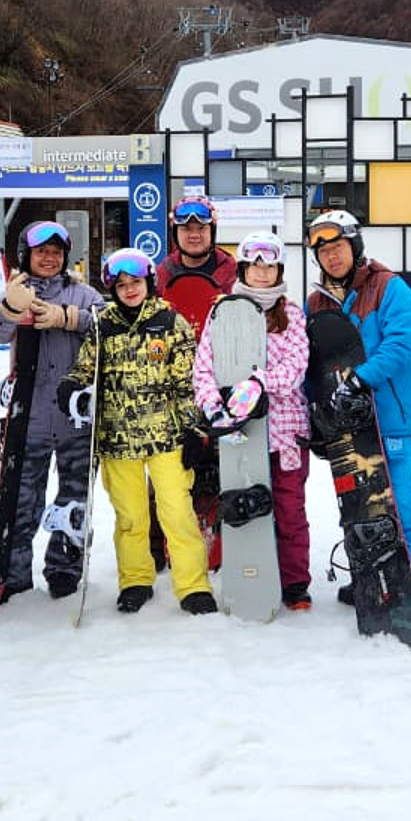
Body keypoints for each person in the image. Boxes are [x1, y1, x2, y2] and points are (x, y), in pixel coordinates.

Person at [60, 248, 214, 614]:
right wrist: (71, 385)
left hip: (165, 436)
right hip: (118, 439)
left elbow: (186, 381)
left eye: (136, 282)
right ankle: (135, 580)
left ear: (149, 283)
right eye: (122, 284)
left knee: (176, 512)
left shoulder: (169, 321)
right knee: (130, 517)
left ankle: (193, 586)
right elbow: (86, 370)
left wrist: (194, 429)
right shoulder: (102, 325)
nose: (130, 290)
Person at [306, 209, 411, 600]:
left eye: (338, 246)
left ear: (354, 246)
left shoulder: (388, 287)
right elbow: (314, 364)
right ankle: (369, 579)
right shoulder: (317, 302)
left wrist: (360, 379)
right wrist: (317, 417)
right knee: (358, 508)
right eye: (323, 251)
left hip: (386, 418)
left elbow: (401, 344)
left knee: (400, 505)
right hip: (346, 425)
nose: (332, 256)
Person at [192, 231, 313, 608]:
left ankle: (294, 582)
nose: (262, 273)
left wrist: (259, 383)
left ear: (279, 269)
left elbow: (295, 368)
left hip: (284, 431)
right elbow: (204, 369)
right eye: (255, 265)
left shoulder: (290, 313)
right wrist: (216, 409)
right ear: (244, 267)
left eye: (270, 265)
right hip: (240, 431)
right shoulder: (223, 310)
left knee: (289, 508)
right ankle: (249, 573)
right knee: (242, 505)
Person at [0, 219, 104, 600]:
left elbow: (108, 329)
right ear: (27, 255)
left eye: (56, 253)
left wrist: (69, 318)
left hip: (76, 419)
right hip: (30, 417)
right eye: (41, 252)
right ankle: (15, 573)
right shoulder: (15, 290)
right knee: (23, 499)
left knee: (74, 497)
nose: (49, 259)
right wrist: (8, 308)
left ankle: (64, 568)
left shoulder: (83, 294)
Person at [153, 195, 237, 571]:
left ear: (211, 231)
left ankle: (225, 536)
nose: (193, 234)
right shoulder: (160, 275)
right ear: (176, 232)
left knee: (222, 465)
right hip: (169, 386)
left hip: (223, 384)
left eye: (200, 228)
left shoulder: (233, 274)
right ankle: (160, 546)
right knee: (168, 469)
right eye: (186, 228)